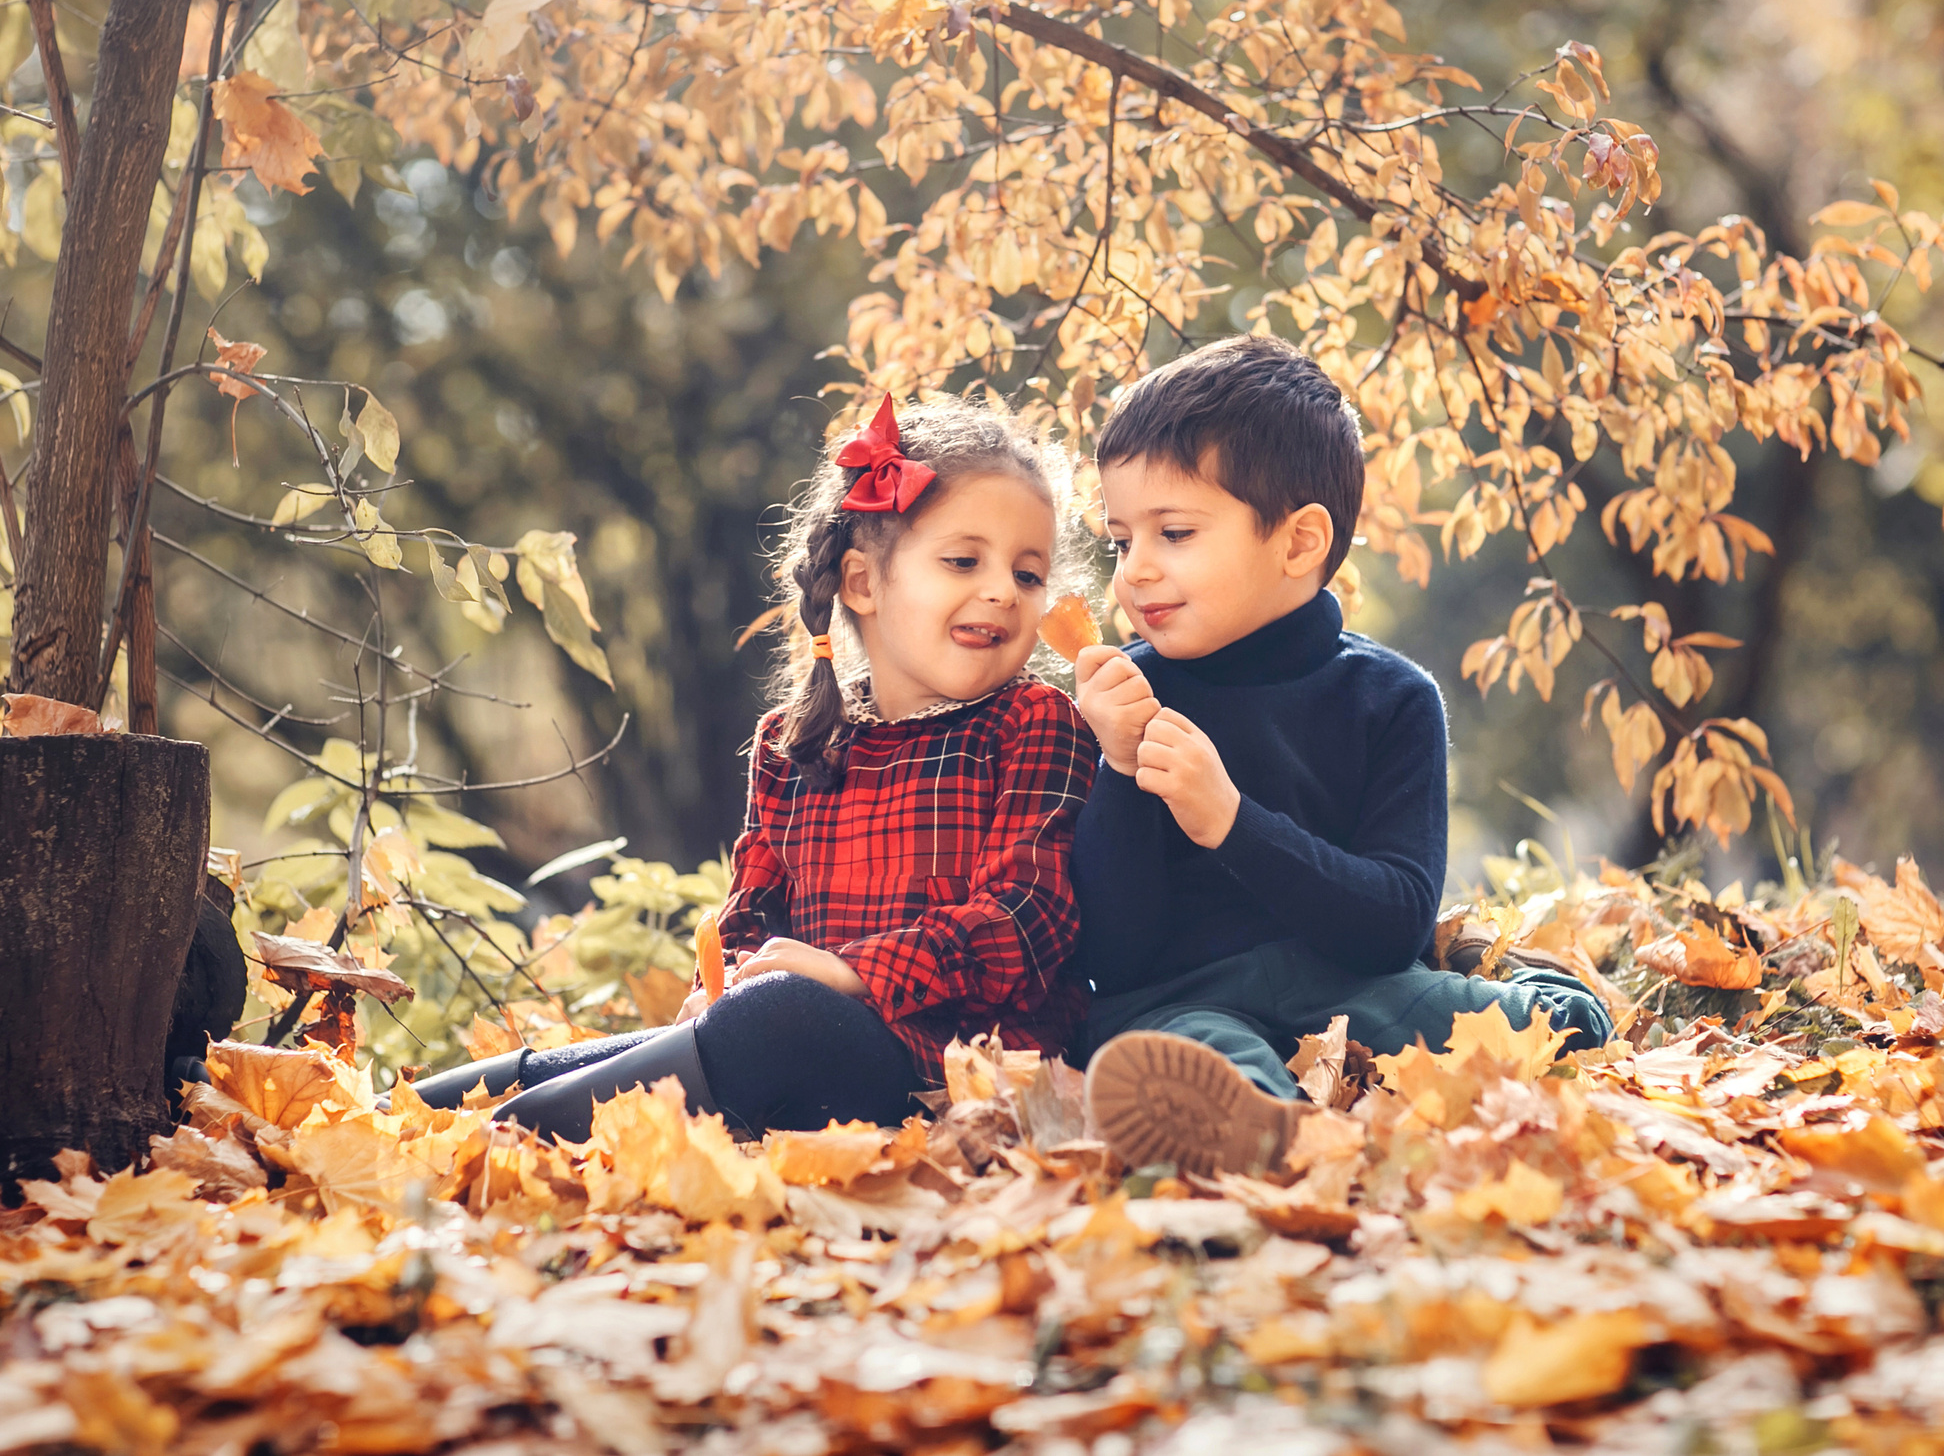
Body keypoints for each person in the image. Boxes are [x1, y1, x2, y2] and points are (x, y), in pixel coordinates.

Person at [411, 394, 1097, 1140]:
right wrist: (723, 984)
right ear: (863, 583)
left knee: (782, 1017)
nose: (1002, 589)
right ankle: (404, 1117)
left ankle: (488, 1145)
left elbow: (1027, 923)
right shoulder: (794, 740)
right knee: (630, 1050)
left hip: (951, 1075)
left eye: (1028, 576)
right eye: (964, 560)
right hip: (792, 1044)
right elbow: (750, 917)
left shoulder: (1034, 722)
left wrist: (854, 973)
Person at [1070, 336, 1611, 1177]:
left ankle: (1511, 988)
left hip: (1353, 982)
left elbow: (1391, 919)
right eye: (1119, 540)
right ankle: (1256, 1124)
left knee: (1549, 1025)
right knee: (1198, 1052)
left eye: (1173, 532)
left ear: (1298, 543)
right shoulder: (1123, 701)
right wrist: (1117, 767)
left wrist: (1234, 824)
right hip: (1183, 996)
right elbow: (1113, 955)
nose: (1134, 571)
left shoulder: (1390, 699)